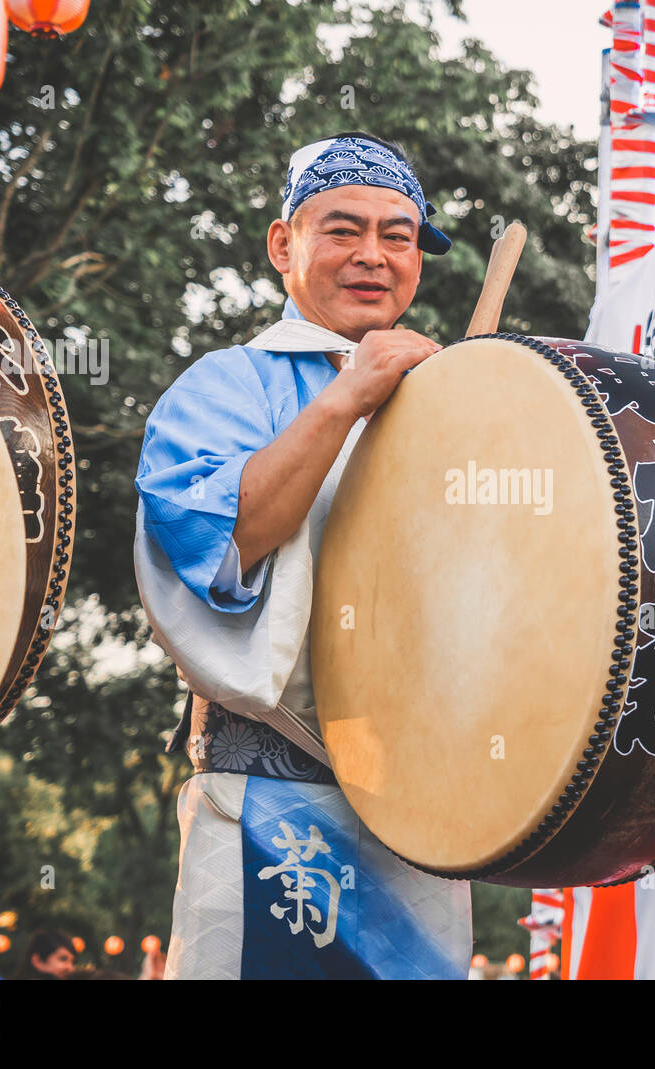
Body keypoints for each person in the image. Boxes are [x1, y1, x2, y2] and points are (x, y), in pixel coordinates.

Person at [135, 131, 472, 979]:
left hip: (417, 810)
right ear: (285, 244)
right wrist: (350, 392)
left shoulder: (456, 401)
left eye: (398, 236)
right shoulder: (225, 385)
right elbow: (225, 542)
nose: (373, 256)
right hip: (267, 799)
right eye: (342, 229)